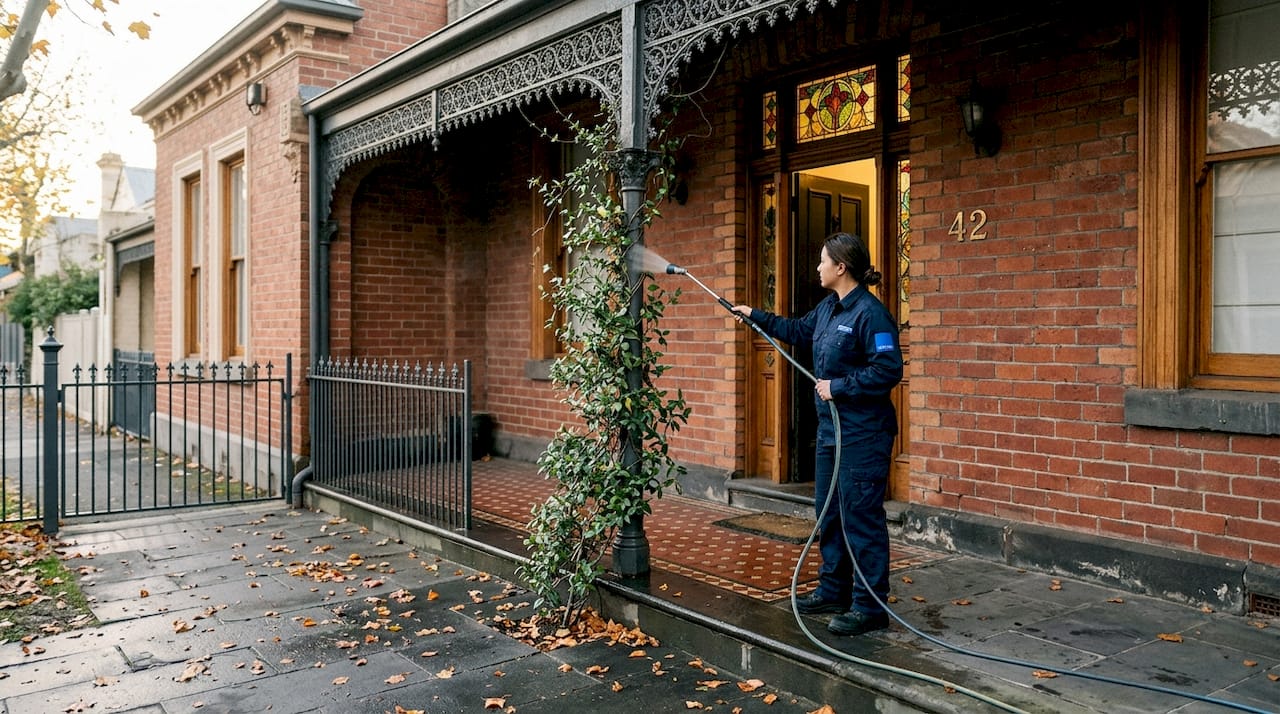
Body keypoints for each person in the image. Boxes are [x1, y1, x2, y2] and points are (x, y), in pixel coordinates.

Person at [732, 232, 903, 636]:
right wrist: (754, 315)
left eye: (823, 260)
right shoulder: (828, 308)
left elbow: (888, 370)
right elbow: (797, 330)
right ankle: (833, 590)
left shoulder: (871, 314)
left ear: (841, 267)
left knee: (860, 517)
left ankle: (869, 605)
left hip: (863, 435)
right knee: (829, 514)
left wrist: (838, 387)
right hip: (830, 434)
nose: (818, 267)